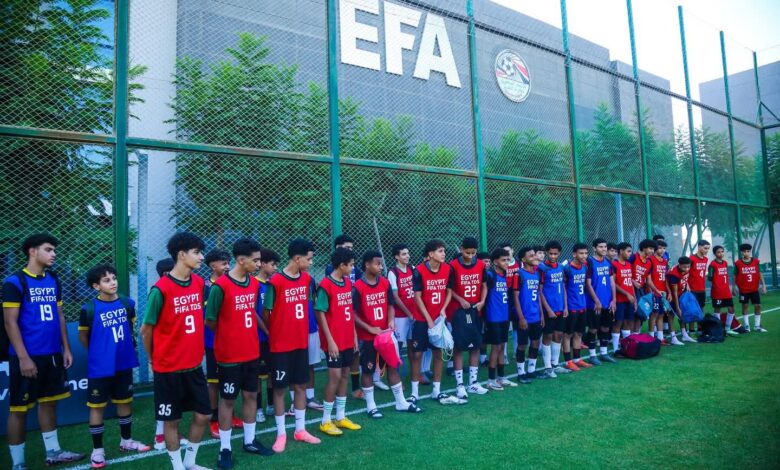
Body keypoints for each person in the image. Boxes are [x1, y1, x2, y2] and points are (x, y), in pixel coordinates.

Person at [4, 234, 85, 469]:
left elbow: (59, 315)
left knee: (49, 403)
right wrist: (23, 358)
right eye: (48, 249)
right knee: (19, 410)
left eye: (54, 250)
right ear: (32, 251)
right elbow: (10, 322)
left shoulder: (53, 279)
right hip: (27, 356)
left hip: (52, 354)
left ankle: (53, 452)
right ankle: (18, 463)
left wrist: (66, 348)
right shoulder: (15, 282)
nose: (53, 254)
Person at [140, 232, 211, 470]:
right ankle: (178, 467)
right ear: (181, 255)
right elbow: (145, 331)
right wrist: (152, 359)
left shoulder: (199, 283)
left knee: (203, 415)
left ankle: (190, 462)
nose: (201, 257)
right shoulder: (160, 289)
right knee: (172, 420)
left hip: (194, 365)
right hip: (168, 369)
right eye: (196, 253)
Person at [205, 238, 274, 468]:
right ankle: (225, 448)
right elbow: (210, 320)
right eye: (256, 260)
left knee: (251, 395)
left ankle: (250, 440)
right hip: (229, 356)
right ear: (241, 260)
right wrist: (230, 334)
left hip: (251, 352)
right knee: (227, 400)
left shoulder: (253, 284)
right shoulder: (220, 286)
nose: (259, 264)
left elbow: (251, 312)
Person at [79, 264, 150, 468]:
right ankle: (98, 451)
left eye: (114, 278)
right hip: (100, 366)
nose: (113, 282)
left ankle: (126, 441)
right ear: (96, 286)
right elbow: (84, 337)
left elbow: (130, 328)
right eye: (106, 280)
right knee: (97, 407)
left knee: (124, 402)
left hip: (123, 362)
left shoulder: (127, 303)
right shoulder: (89, 309)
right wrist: (99, 353)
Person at [262, 238, 321, 452]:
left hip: (300, 342)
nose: (311, 263)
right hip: (280, 346)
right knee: (280, 389)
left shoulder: (306, 279)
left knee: (300, 386)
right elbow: (266, 313)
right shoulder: (276, 281)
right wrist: (279, 329)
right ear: (297, 258)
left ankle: (300, 429)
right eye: (309, 259)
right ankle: (281, 433)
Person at [354, 251, 422, 415]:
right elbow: (353, 314)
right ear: (367, 265)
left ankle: (401, 402)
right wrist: (369, 328)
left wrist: (391, 320)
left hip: (386, 335)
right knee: (368, 370)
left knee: (393, 366)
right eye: (377, 264)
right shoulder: (358, 287)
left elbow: (391, 305)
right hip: (367, 337)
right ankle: (371, 406)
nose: (380, 267)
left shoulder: (384, 283)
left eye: (381, 264)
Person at [316, 248, 362, 436]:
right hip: (334, 341)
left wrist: (354, 335)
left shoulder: (347, 283)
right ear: (341, 265)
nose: (352, 268)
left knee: (344, 375)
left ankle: (340, 416)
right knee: (334, 377)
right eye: (350, 265)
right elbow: (320, 313)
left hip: (347, 338)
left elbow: (349, 311)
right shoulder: (325, 285)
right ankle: (325, 420)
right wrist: (330, 341)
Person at [412, 240, 460, 404]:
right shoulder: (418, 271)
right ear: (431, 254)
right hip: (422, 318)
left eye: (444, 251)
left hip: (439, 319)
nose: (443, 254)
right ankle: (414, 393)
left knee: (439, 353)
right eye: (440, 251)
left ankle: (436, 390)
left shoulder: (448, 269)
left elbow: (449, 291)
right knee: (417, 354)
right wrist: (428, 319)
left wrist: (443, 309)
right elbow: (417, 297)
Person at [324, 235, 371, 398]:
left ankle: (354, 389)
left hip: (350, 320)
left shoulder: (352, 277)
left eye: (352, 247)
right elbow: (321, 311)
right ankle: (329, 410)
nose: (352, 267)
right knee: (336, 373)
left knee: (352, 358)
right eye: (347, 247)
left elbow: (356, 293)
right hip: (336, 328)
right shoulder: (329, 276)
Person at [447, 237, 489, 402]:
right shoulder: (453, 266)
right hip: (457, 312)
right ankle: (459, 385)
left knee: (475, 345)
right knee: (458, 347)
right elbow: (449, 289)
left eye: (473, 253)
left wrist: (482, 301)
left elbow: (484, 285)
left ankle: (473, 382)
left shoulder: (480, 265)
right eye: (467, 252)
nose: (470, 256)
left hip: (475, 309)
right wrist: (460, 299)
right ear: (461, 249)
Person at [202, 249, 237, 440]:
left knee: (230, 379)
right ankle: (214, 418)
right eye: (223, 263)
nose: (227, 266)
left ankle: (231, 414)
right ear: (212, 266)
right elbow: (207, 318)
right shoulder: (206, 287)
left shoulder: (232, 282)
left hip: (232, 341)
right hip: (213, 342)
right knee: (214, 381)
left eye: (228, 263)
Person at [538, 241, 570, 377]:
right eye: (550, 253)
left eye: (555, 254)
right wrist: (548, 309)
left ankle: (555, 364)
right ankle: (547, 367)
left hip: (560, 308)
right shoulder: (542, 268)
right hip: (548, 309)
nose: (552, 256)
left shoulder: (561, 267)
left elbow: (563, 287)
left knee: (558, 335)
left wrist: (566, 306)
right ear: (546, 253)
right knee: (548, 336)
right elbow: (540, 291)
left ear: (559, 254)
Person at [515, 246, 546, 380]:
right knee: (522, 344)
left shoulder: (537, 273)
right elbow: (515, 297)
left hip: (536, 316)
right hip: (524, 316)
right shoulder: (519, 274)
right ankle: (521, 373)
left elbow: (538, 294)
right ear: (523, 259)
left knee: (535, 342)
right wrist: (521, 318)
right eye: (531, 256)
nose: (535, 257)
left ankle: (531, 370)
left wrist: (541, 314)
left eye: (535, 255)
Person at [256, 248, 280, 419]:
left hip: (274, 336)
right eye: (272, 264)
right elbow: (254, 312)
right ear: (262, 264)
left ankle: (271, 405)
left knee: (273, 372)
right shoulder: (254, 284)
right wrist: (266, 331)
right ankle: (258, 409)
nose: (275, 268)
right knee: (258, 374)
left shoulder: (273, 284)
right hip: (259, 337)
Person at [584, 239, 617, 365]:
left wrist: (614, 299)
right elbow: (588, 284)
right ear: (594, 248)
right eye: (601, 247)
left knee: (605, 327)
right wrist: (596, 301)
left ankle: (604, 353)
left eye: (605, 247)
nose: (604, 249)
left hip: (607, 302)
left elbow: (612, 282)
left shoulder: (608, 262)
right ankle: (592, 355)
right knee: (593, 329)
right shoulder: (589, 262)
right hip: (593, 304)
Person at [483, 248, 512, 390]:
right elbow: (484, 293)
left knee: (502, 346)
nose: (506, 263)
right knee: (496, 347)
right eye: (503, 260)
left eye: (507, 260)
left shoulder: (505, 275)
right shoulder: (490, 275)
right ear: (495, 262)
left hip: (504, 316)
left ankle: (501, 377)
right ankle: (491, 380)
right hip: (493, 317)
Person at [562, 243, 592, 371]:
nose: (584, 256)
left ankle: (577, 359)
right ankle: (568, 361)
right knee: (568, 334)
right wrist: (565, 306)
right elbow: (563, 288)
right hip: (571, 306)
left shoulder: (585, 267)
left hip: (582, 305)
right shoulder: (567, 268)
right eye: (581, 253)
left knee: (579, 333)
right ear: (574, 254)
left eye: (586, 253)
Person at [388, 244, 416, 372]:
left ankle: (416, 373)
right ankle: (395, 375)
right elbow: (395, 297)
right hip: (400, 316)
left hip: (414, 313)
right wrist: (408, 313)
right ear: (396, 257)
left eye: (408, 253)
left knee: (413, 344)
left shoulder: (412, 268)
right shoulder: (393, 272)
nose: (407, 256)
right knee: (398, 346)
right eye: (404, 254)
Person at [648, 241, 682, 345]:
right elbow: (648, 278)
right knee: (654, 314)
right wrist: (651, 291)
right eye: (659, 248)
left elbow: (665, 278)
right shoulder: (650, 260)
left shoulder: (664, 261)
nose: (662, 250)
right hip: (654, 291)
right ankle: (651, 338)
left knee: (661, 314)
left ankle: (660, 338)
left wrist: (669, 292)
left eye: (664, 248)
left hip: (662, 292)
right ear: (655, 249)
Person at [734, 243, 768, 333]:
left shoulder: (756, 262)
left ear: (750, 252)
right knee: (745, 306)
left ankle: (757, 326)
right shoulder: (738, 263)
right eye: (744, 251)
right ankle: (747, 326)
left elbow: (760, 273)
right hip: (743, 289)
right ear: (741, 252)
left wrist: (764, 285)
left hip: (754, 289)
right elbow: (735, 275)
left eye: (748, 251)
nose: (746, 253)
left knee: (758, 306)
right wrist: (734, 286)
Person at [708, 246, 740, 337]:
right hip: (717, 291)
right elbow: (710, 278)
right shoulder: (712, 264)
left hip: (726, 291)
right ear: (714, 254)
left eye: (722, 251)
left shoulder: (725, 263)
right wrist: (717, 283)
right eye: (718, 252)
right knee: (717, 309)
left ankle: (727, 328)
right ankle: (719, 329)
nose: (721, 254)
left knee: (731, 309)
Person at [611, 242, 636, 353]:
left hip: (629, 299)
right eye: (628, 251)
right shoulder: (614, 264)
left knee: (628, 323)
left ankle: (626, 347)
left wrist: (634, 298)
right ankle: (615, 349)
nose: (630, 253)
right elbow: (613, 283)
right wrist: (626, 294)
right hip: (620, 300)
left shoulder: (628, 264)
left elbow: (630, 282)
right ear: (621, 251)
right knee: (618, 323)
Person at [629, 239, 657, 334]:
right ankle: (628, 337)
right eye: (650, 248)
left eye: (653, 249)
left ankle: (636, 336)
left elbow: (648, 280)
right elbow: (624, 271)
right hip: (629, 289)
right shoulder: (633, 257)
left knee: (639, 314)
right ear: (644, 248)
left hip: (640, 290)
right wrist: (633, 281)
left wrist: (656, 290)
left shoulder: (649, 262)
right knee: (631, 314)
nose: (652, 251)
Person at [687, 240, 711, 337]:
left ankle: (700, 329)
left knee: (701, 309)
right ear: (699, 247)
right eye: (705, 248)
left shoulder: (705, 259)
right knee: (692, 310)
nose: (706, 250)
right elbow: (686, 272)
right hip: (692, 289)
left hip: (702, 289)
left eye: (708, 248)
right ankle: (691, 331)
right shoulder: (691, 258)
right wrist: (687, 285)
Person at [668, 256, 693, 345]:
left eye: (688, 267)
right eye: (684, 267)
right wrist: (677, 307)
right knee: (671, 315)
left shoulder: (685, 269)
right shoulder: (674, 274)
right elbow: (674, 293)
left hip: (681, 294)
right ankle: (673, 337)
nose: (687, 269)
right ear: (679, 265)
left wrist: (687, 284)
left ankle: (684, 334)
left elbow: (684, 278)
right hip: (672, 296)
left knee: (682, 314)